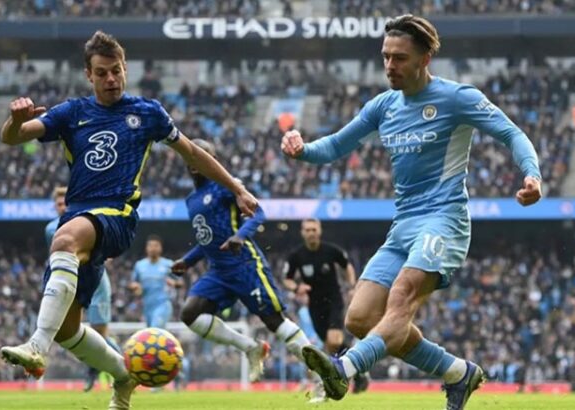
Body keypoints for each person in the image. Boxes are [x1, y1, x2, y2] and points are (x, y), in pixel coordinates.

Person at [281, 14, 542, 410]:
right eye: (386, 57)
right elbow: (334, 146)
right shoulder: (383, 106)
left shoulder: (457, 98)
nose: (390, 66)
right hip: (403, 225)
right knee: (359, 318)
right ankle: (457, 372)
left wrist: (532, 175)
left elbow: (512, 133)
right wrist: (302, 150)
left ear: (425, 58)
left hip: (444, 219)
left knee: (401, 297)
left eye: (400, 58)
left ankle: (344, 368)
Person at [0, 31, 257, 410]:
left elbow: (192, 152)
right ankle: (123, 375)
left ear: (125, 69)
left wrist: (236, 188)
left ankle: (37, 345)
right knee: (68, 330)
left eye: (117, 71)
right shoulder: (72, 113)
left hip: (117, 215)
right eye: (102, 73)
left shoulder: (147, 113)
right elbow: (14, 137)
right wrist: (14, 120)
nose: (111, 79)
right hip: (80, 215)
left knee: (64, 239)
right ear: (89, 75)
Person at [171, 139, 324, 401]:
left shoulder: (226, 185)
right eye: (193, 156)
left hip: (244, 264)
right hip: (218, 272)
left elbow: (259, 213)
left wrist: (240, 236)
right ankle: (250, 347)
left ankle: (321, 377)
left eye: (205, 155)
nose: (197, 160)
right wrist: (188, 261)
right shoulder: (191, 200)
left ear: (213, 160)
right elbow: (207, 239)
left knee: (274, 322)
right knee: (190, 314)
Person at [46, 186, 120, 392]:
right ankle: (108, 368)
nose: (62, 206)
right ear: (55, 206)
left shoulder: (88, 223)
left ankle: (121, 369)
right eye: (58, 203)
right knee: (73, 334)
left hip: (97, 285)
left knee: (100, 336)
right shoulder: (51, 229)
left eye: (65, 202)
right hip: (73, 284)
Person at [283, 218, 370, 394]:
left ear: (319, 231)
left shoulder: (331, 251)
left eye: (314, 229)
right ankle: (360, 372)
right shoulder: (297, 256)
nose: (311, 233)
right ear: (302, 233)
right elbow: (287, 279)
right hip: (314, 306)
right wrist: (297, 288)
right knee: (332, 345)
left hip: (334, 301)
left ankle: (337, 379)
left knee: (333, 341)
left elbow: (347, 266)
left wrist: (352, 286)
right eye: (308, 230)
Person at [128, 235, 182, 328]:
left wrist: (174, 283)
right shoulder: (139, 265)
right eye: (150, 245)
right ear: (146, 248)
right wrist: (135, 287)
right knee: (152, 333)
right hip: (147, 306)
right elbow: (133, 283)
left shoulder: (168, 264)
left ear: (161, 248)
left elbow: (181, 282)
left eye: (156, 245)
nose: (153, 248)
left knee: (155, 328)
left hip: (163, 304)